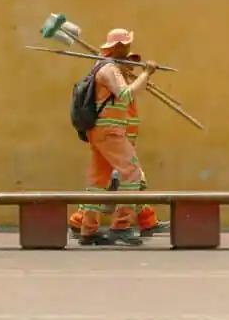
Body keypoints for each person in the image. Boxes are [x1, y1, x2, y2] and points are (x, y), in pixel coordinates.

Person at [69, 52, 169, 239]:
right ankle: (121, 226)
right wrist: (145, 74)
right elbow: (126, 95)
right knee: (133, 176)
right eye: (130, 60)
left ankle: (87, 228)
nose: (133, 65)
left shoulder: (111, 74)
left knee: (99, 183)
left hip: (107, 135)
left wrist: (142, 79)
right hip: (112, 135)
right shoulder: (111, 72)